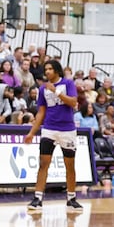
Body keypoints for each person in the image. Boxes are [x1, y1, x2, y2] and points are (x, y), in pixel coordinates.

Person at [24, 58, 83, 214]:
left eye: (50, 69)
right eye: (46, 70)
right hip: (49, 129)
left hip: (67, 130)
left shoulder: (68, 84)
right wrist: (31, 132)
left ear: (57, 70)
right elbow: (41, 112)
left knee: (70, 165)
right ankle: (38, 198)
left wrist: (56, 91)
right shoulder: (43, 89)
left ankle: (71, 198)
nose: (47, 72)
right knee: (43, 164)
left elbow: (73, 102)